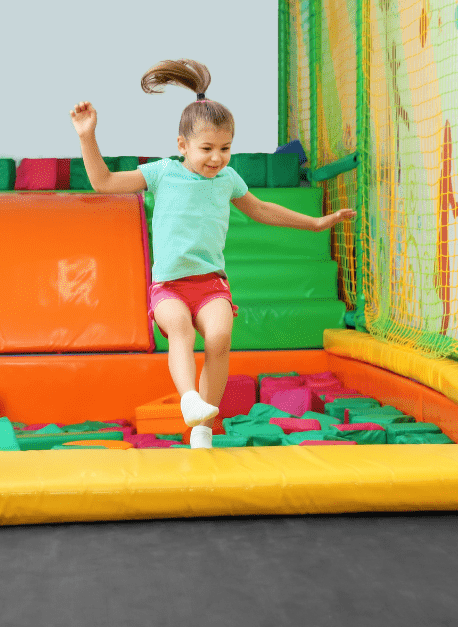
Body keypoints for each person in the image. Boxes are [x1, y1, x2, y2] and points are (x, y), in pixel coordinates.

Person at [70, 59, 354, 449]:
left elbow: (263, 210)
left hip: (211, 284)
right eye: (206, 149)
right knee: (181, 331)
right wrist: (88, 137)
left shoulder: (227, 180)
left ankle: (203, 425)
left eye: (225, 148)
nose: (216, 158)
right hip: (168, 286)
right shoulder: (163, 173)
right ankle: (189, 399)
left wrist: (316, 223)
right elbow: (103, 183)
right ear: (182, 145)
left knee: (220, 338)